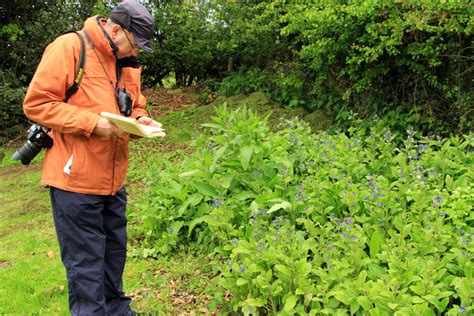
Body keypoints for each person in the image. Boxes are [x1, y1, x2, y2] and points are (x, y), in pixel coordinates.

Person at [22, 1, 160, 314]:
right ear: (115, 29)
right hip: (75, 182)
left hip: (113, 182)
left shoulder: (125, 61)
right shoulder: (70, 47)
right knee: (86, 266)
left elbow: (134, 105)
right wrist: (92, 123)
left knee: (113, 257)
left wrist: (141, 121)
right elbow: (37, 103)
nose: (134, 51)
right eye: (134, 43)